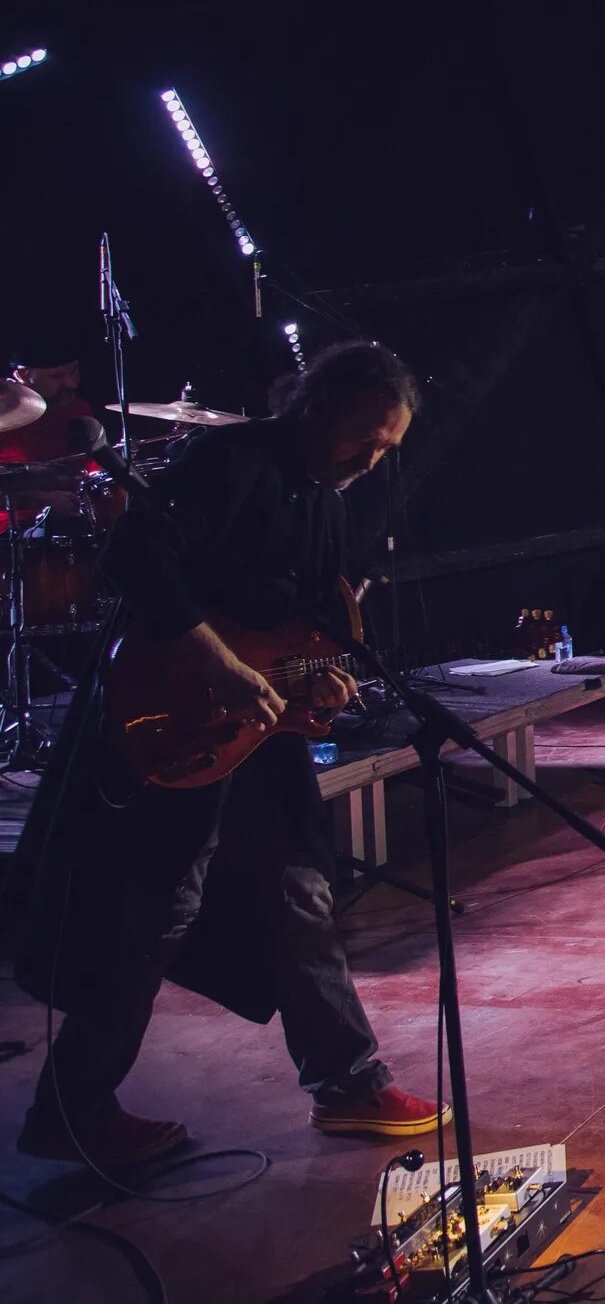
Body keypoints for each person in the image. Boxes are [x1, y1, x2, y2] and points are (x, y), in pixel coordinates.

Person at [9, 342, 447, 1168]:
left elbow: (313, 631)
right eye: (367, 437)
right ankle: (69, 1109)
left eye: (390, 445)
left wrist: (323, 684)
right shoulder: (228, 460)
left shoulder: (327, 500)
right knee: (155, 916)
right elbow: (133, 555)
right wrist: (223, 664)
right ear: (317, 409)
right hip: (171, 713)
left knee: (300, 891)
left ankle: (349, 1082)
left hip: (254, 734)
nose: (375, 458)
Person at [0, 357, 95, 465]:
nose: (72, 384)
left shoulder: (79, 409)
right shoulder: (4, 414)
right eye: (57, 376)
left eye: (74, 371)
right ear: (23, 375)